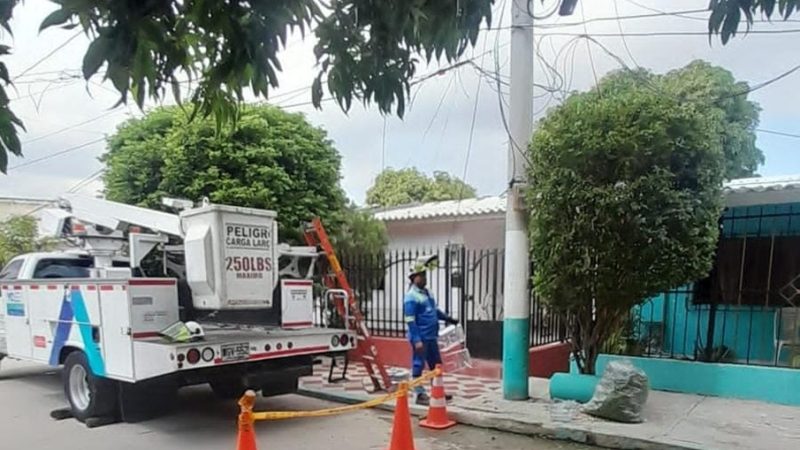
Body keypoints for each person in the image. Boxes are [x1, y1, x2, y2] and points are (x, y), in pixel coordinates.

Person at [404, 260, 458, 405]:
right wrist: (416, 340)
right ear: (414, 278)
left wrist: (448, 318)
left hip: (432, 336)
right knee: (418, 364)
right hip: (421, 337)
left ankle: (437, 390)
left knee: (436, 364)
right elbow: (410, 320)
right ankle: (419, 394)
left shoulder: (428, 293)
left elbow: (435, 311)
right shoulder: (411, 297)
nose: (424, 278)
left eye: (425, 275)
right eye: (421, 275)